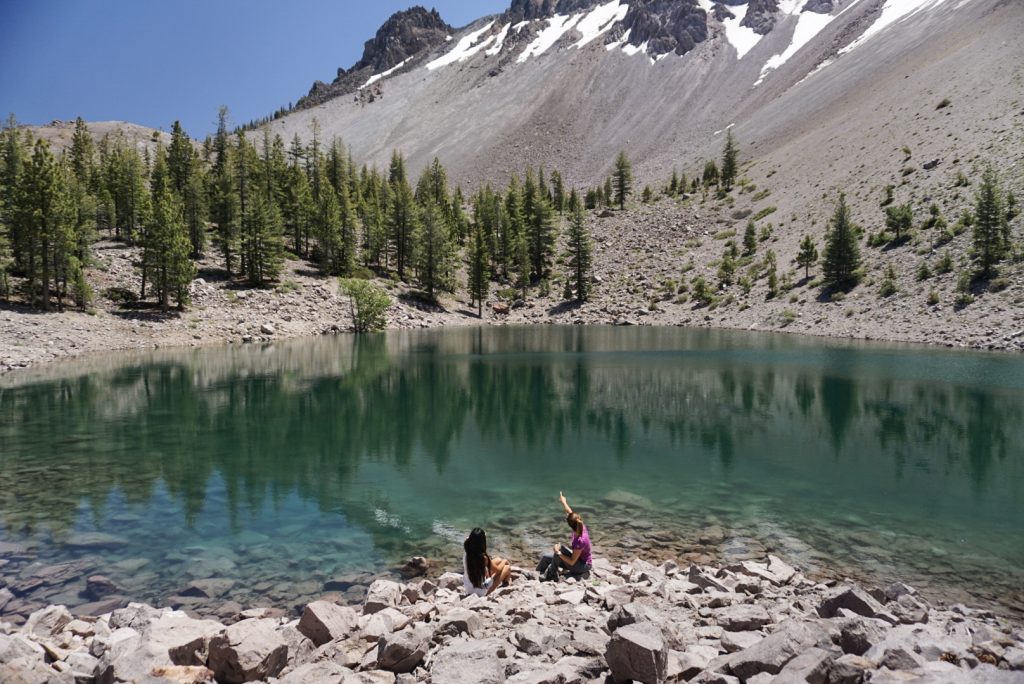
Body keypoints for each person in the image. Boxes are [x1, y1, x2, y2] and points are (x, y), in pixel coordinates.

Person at [537, 491, 592, 581]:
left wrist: (558, 552)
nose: (566, 516)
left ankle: (551, 574)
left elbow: (572, 561)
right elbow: (570, 512)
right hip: (577, 561)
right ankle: (538, 574)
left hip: (583, 566)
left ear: (571, 525)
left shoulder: (580, 540)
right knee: (546, 557)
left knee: (559, 552)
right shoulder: (581, 526)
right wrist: (564, 502)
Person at [462, 527, 512, 598]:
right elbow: (497, 570)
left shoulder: (467, 550)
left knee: (498, 560)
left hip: (468, 588)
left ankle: (504, 579)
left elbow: (469, 539)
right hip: (481, 592)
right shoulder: (483, 558)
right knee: (506, 567)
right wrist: (505, 561)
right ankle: (506, 582)